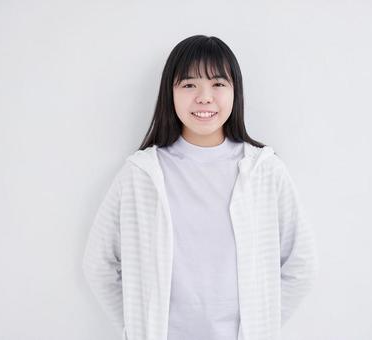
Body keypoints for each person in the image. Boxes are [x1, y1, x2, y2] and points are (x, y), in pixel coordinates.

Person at [82, 34, 318, 340]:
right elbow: (98, 263)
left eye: (218, 84)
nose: (204, 97)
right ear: (171, 92)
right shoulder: (141, 174)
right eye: (189, 84)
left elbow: (302, 264)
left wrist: (261, 324)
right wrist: (139, 326)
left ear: (236, 92)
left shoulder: (264, 170)